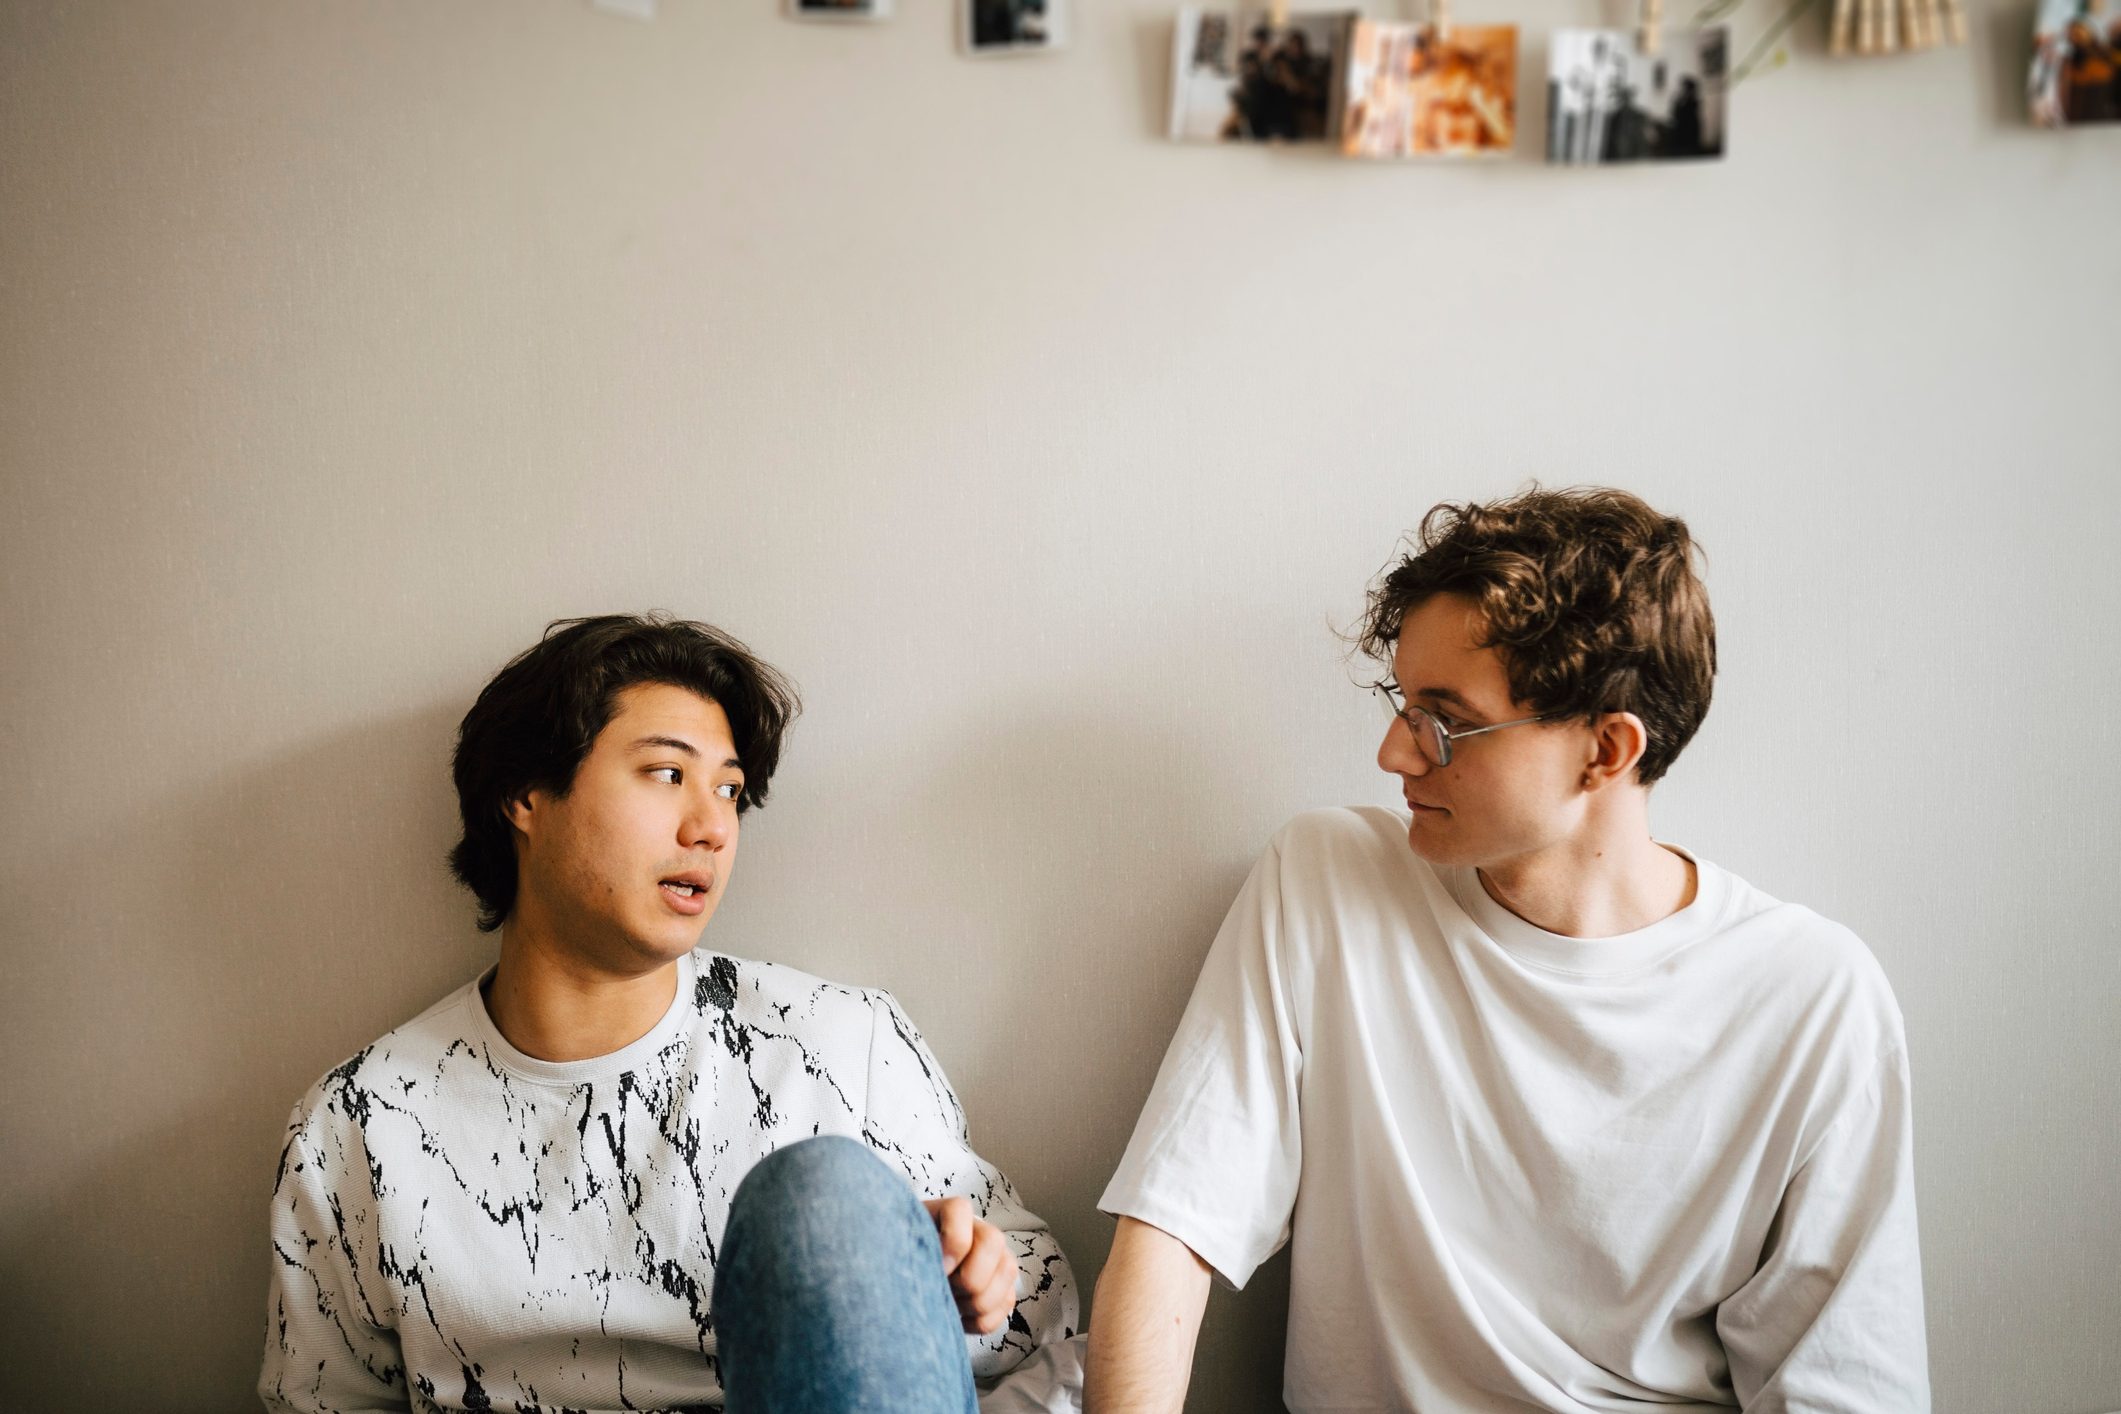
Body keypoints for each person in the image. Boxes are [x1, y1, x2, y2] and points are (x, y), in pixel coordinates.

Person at [1085, 487, 1928, 1412]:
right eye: (1401, 704)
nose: (1394, 755)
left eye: (1442, 721)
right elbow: (1172, 1232)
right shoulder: (1328, 882)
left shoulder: (1810, 995)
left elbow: (1839, 1387)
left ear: (1605, 752)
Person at [258, 614, 1080, 1414]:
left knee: (821, 1196)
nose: (712, 826)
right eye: (666, 774)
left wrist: (928, 1284)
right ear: (524, 797)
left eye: (729, 790)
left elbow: (1050, 1338)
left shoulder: (837, 1045)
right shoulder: (360, 1126)